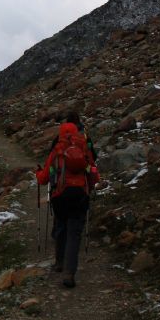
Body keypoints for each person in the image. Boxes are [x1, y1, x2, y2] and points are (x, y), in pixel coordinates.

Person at [36, 114, 99, 288]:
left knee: (61, 228)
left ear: (61, 132)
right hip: (80, 195)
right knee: (74, 234)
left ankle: (59, 262)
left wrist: (37, 173)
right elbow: (93, 173)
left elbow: (43, 179)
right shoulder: (84, 148)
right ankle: (69, 274)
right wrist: (90, 187)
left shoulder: (56, 150)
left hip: (60, 196)